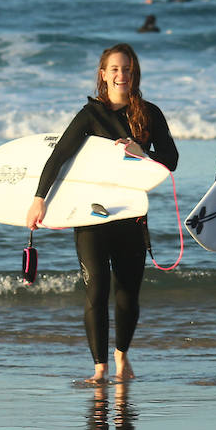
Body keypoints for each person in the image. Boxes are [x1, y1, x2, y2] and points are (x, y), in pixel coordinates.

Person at [25, 44, 179, 384]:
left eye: (127, 69)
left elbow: (171, 160)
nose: (121, 75)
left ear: (134, 73)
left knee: (127, 294)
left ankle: (122, 357)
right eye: (115, 69)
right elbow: (58, 157)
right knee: (96, 290)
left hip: (130, 214)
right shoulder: (90, 115)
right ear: (103, 74)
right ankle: (100, 369)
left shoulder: (149, 113)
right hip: (91, 218)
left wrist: (143, 153)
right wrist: (39, 199)